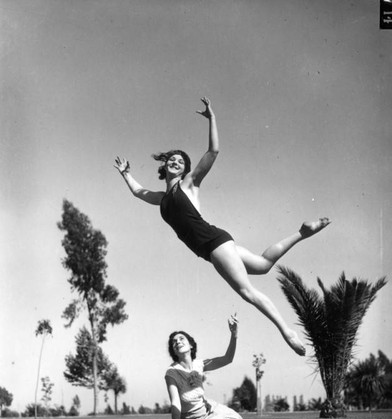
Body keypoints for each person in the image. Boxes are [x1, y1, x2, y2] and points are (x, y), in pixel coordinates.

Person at [114, 97, 330, 356]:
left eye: (180, 162)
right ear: (164, 165)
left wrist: (212, 118)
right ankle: (302, 233)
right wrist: (125, 173)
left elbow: (213, 152)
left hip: (212, 243)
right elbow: (139, 192)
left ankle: (287, 332)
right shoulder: (162, 199)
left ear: (185, 170)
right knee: (262, 265)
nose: (175, 162)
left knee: (247, 292)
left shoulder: (189, 184)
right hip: (216, 244)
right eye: (172, 159)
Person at [165, 314, 255, 419]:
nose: (177, 342)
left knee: (237, 418)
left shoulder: (199, 364)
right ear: (174, 350)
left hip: (206, 407)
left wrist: (234, 335)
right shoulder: (171, 373)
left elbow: (228, 359)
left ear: (191, 345)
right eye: (174, 342)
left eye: (181, 338)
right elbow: (175, 402)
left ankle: (221, 418)